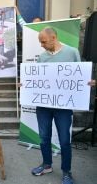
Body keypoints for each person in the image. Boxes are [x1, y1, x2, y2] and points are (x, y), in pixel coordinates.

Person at [29, 27, 90, 184]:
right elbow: (37, 80)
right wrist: (26, 84)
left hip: (63, 107)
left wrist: (88, 83)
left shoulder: (72, 52)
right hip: (43, 106)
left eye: (43, 41)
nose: (41, 45)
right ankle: (47, 164)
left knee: (64, 140)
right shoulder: (42, 58)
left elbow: (80, 76)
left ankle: (66, 172)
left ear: (53, 37)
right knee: (43, 138)